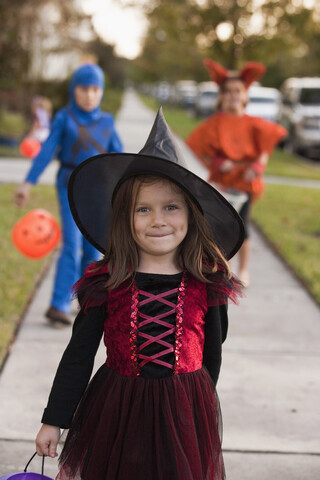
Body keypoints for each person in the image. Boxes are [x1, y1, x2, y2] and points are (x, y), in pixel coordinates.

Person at [35, 108, 244, 480]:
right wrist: (54, 420)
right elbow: (78, 355)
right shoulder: (108, 280)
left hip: (183, 415)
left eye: (171, 207)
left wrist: (197, 407)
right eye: (143, 209)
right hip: (116, 412)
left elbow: (213, 351)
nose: (158, 220)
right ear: (124, 219)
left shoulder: (206, 283)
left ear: (191, 215)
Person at [14, 63, 123, 326]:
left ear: (101, 92)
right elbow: (47, 151)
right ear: (75, 90)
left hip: (97, 190)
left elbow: (119, 159)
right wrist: (27, 183)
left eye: (95, 89)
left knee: (92, 248)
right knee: (72, 245)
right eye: (84, 88)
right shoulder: (65, 117)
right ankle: (58, 304)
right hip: (69, 184)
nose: (89, 95)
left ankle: (87, 303)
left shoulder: (107, 121)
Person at [186, 59, 287, 287]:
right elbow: (202, 147)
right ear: (221, 96)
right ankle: (221, 266)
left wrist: (258, 167)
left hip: (245, 182)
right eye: (228, 92)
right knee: (219, 224)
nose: (233, 96)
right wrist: (218, 162)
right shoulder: (214, 124)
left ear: (245, 94)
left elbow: (265, 148)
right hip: (223, 181)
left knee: (242, 224)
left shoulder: (254, 124)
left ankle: (243, 268)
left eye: (237, 91)